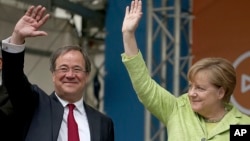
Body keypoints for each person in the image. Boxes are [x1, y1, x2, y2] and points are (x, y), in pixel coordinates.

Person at [121, 0, 250, 140]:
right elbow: (144, 85)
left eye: (200, 88)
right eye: (190, 86)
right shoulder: (176, 109)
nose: (191, 93)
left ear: (221, 92)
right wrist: (128, 34)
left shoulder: (243, 126)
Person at [1, 5, 114, 141]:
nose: (70, 75)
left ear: (87, 75)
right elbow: (14, 79)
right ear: (53, 74)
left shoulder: (103, 123)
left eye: (77, 69)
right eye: (63, 69)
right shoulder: (34, 105)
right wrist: (17, 38)